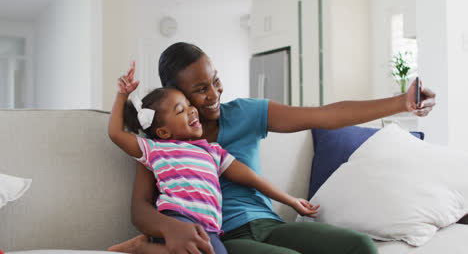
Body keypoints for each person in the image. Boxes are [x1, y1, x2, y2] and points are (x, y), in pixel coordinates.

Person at [113, 42, 436, 254]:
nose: (214, 94)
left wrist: (401, 103)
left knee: (360, 246)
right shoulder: (160, 144)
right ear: (175, 93)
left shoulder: (247, 113)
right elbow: (140, 209)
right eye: (199, 89)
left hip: (269, 224)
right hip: (223, 237)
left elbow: (323, 115)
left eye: (215, 80)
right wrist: (172, 228)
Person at [107, 62, 320, 254]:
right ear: (163, 132)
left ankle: (142, 247)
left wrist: (291, 200)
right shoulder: (154, 148)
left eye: (189, 105)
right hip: (177, 217)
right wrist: (122, 95)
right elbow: (116, 134)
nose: (192, 111)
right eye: (181, 111)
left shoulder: (212, 151)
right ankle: (141, 248)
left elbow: (251, 178)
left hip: (210, 227)